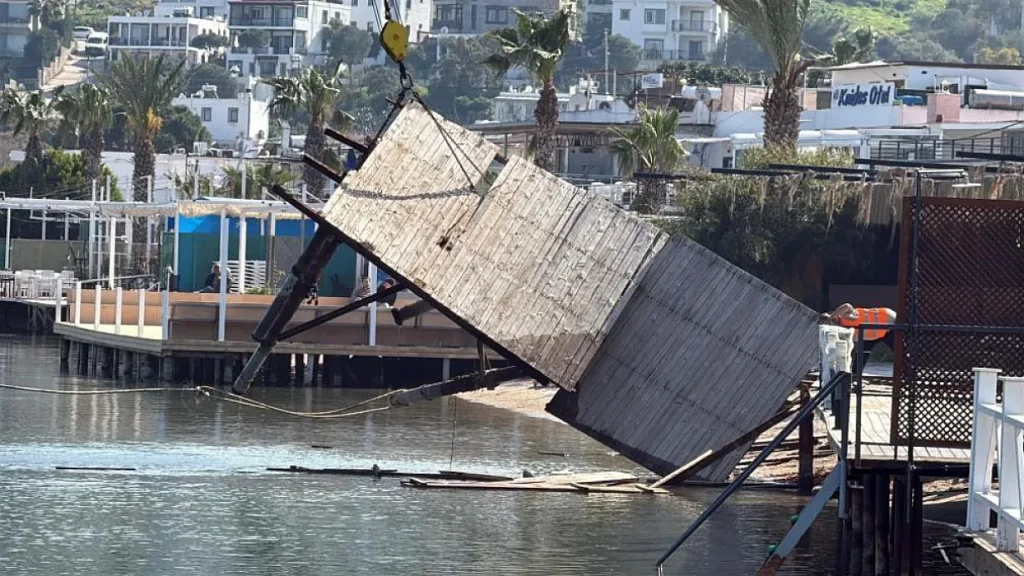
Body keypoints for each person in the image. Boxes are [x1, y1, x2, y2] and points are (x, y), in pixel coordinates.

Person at [822, 303, 897, 363]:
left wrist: (831, 317)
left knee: (900, 351)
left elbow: (846, 306)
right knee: (862, 353)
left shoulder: (845, 315)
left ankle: (906, 371)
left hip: (887, 318)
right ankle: (855, 376)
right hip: (879, 333)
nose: (832, 321)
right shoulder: (843, 332)